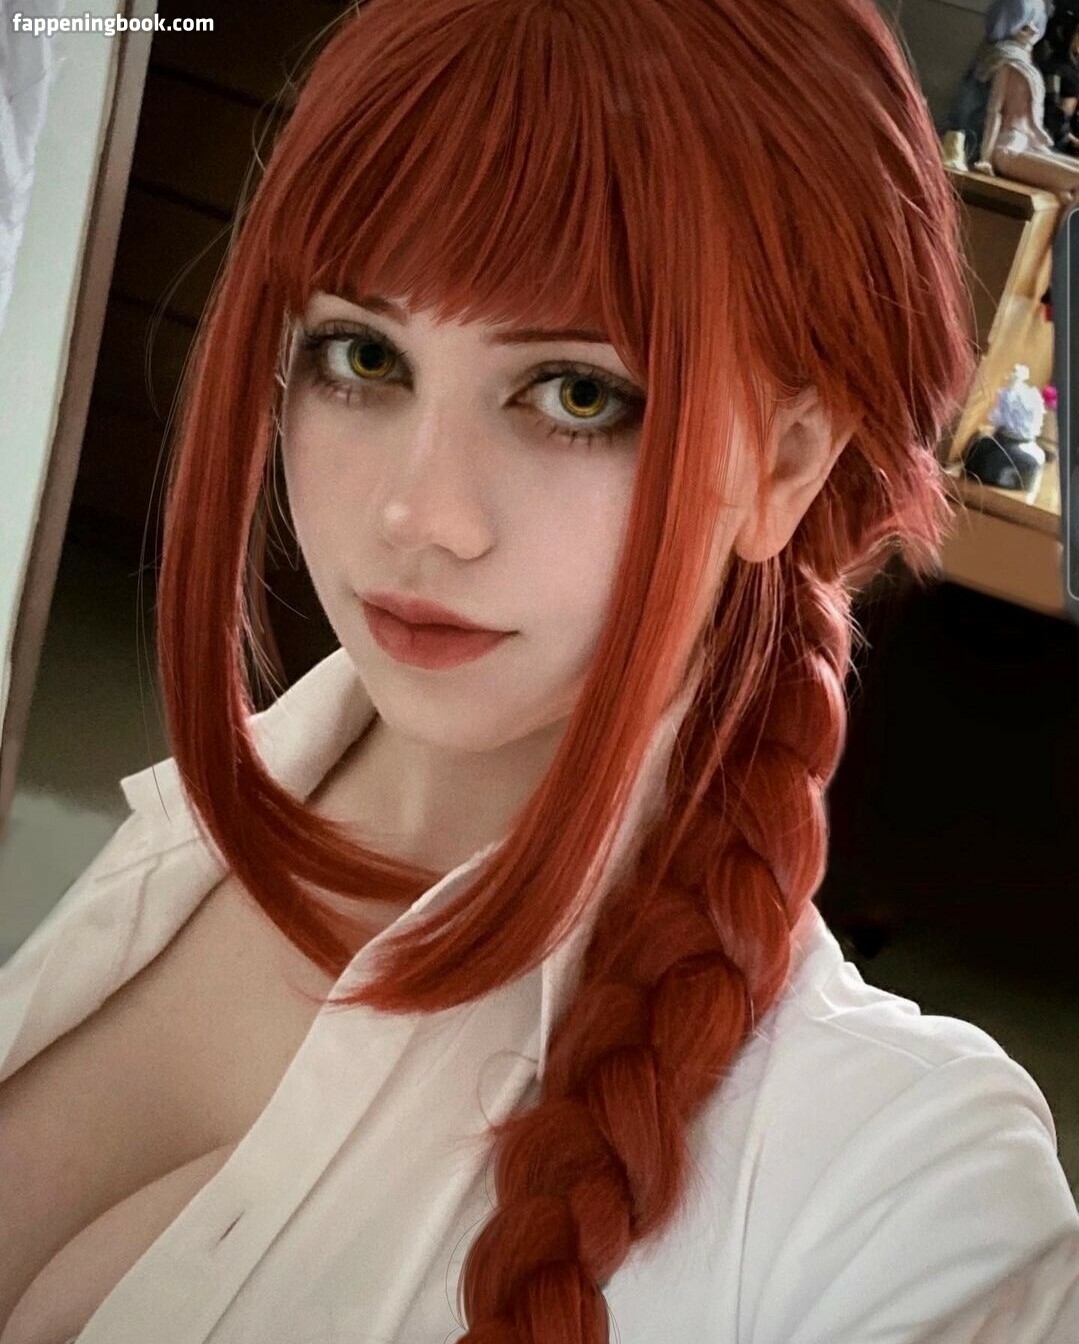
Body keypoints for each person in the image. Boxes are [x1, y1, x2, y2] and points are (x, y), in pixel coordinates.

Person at [0, 1, 1076, 1342]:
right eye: (365, 355)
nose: (420, 514)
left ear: (788, 461)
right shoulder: (204, 820)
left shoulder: (892, 1195)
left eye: (576, 393)